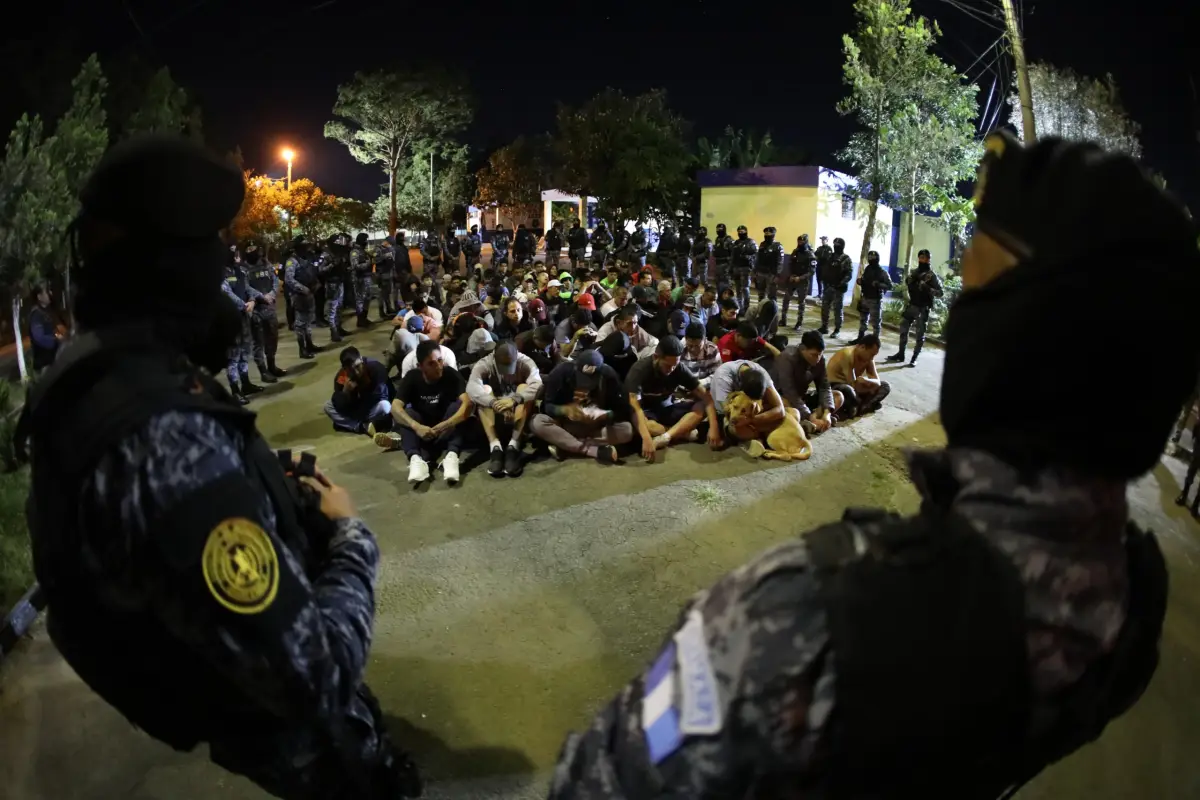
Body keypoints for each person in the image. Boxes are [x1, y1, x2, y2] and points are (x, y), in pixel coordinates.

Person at [550, 130, 1197, 799]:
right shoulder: (1129, 610)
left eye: (974, 287)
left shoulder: (808, 609)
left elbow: (596, 783)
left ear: (1012, 334)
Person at [15, 134, 422, 800]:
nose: (222, 270)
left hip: (214, 676)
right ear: (170, 268)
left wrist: (263, 484)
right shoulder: (156, 429)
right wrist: (352, 540)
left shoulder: (97, 376)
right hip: (296, 738)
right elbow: (312, 674)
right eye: (211, 250)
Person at [382, 339, 474, 486]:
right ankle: (416, 460)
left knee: (457, 407)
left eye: (439, 360)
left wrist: (446, 424)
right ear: (420, 366)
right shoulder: (412, 377)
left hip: (446, 428)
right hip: (424, 429)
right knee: (407, 413)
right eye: (431, 363)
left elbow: (467, 404)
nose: (438, 366)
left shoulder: (450, 374)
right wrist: (416, 427)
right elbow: (395, 407)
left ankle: (451, 456)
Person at [625, 336, 722, 460]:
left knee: (701, 406)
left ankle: (666, 437)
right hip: (647, 413)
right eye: (667, 365)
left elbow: (707, 399)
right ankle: (683, 433)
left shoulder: (679, 369)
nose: (671, 369)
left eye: (674, 365)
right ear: (656, 358)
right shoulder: (639, 370)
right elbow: (635, 408)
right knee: (644, 426)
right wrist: (646, 439)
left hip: (667, 408)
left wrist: (714, 427)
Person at [532, 349, 633, 464]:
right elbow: (547, 406)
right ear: (575, 367)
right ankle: (592, 450)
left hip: (596, 428)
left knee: (627, 430)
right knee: (537, 422)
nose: (587, 385)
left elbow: (621, 409)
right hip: (566, 427)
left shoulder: (609, 375)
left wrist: (605, 415)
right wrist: (564, 410)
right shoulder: (560, 373)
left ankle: (567, 445)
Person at [466, 340, 542, 478]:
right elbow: (471, 387)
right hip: (494, 412)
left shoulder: (526, 362)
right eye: (503, 365)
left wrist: (515, 400)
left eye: (510, 364)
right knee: (484, 389)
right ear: (494, 356)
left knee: (524, 388)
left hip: (518, 411)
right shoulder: (484, 363)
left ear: (517, 355)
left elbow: (538, 384)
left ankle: (514, 445)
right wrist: (494, 403)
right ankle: (495, 447)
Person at [771, 329, 841, 434]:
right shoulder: (787, 358)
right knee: (785, 404)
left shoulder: (820, 360)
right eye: (813, 355)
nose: (817, 359)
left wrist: (827, 413)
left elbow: (824, 386)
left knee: (838, 395)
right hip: (786, 398)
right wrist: (809, 415)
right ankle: (807, 421)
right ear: (803, 349)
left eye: (820, 354)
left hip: (803, 399)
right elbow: (789, 391)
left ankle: (818, 421)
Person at [221, 245, 264, 404]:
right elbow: (226, 293)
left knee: (245, 351)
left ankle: (245, 383)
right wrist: (244, 305)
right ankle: (235, 390)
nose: (238, 257)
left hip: (243, 318)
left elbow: (247, 287)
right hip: (230, 319)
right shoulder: (220, 273)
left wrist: (253, 299)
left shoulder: (239, 270)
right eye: (235, 254)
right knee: (233, 356)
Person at [886, 249, 944, 366]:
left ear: (929, 259)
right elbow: (909, 284)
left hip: (923, 308)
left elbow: (940, 293)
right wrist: (909, 281)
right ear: (918, 258)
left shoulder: (932, 276)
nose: (923, 260)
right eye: (921, 257)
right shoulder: (914, 272)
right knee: (903, 329)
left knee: (920, 334)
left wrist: (927, 288)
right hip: (912, 305)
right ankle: (901, 354)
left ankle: (914, 358)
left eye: (925, 258)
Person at [708, 359, 786, 444]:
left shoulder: (761, 374)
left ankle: (760, 437)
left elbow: (780, 410)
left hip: (751, 413)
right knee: (736, 428)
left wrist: (752, 419)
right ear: (740, 388)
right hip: (725, 413)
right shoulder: (723, 377)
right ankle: (761, 437)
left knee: (789, 409)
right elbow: (730, 414)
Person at [243, 241, 286, 384]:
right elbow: (246, 287)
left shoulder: (266, 264)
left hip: (270, 308)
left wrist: (272, 294)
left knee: (272, 338)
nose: (253, 252)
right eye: (250, 249)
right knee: (258, 343)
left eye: (255, 249)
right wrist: (262, 296)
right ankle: (263, 371)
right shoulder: (243, 269)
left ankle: (272, 366)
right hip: (256, 310)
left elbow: (275, 280)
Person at [325, 346, 394, 434]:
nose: (356, 372)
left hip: (371, 408)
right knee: (328, 406)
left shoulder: (375, 368)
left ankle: (357, 424)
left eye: (358, 366)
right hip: (357, 410)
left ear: (361, 360)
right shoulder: (341, 377)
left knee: (385, 406)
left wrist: (363, 389)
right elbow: (338, 403)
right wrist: (346, 393)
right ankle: (362, 427)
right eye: (351, 370)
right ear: (344, 369)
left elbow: (381, 396)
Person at [826, 333, 891, 418]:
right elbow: (853, 385)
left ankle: (862, 407)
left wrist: (867, 381)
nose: (872, 358)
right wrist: (870, 387)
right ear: (862, 347)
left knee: (885, 386)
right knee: (848, 391)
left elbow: (877, 381)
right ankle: (864, 406)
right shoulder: (847, 354)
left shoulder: (869, 359)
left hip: (856, 387)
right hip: (837, 387)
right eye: (871, 354)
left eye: (874, 355)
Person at [283, 235, 320, 360]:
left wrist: (315, 284)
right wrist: (303, 289)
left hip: (310, 293)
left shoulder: (306, 258)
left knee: (308, 321)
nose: (306, 248)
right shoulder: (292, 261)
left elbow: (311, 272)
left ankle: (309, 344)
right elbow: (288, 279)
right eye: (303, 246)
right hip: (299, 295)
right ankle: (302, 349)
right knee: (300, 323)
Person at [853, 250, 893, 344]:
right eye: (870, 257)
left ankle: (874, 342)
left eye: (873, 258)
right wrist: (860, 281)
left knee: (875, 323)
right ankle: (860, 338)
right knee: (863, 320)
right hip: (865, 297)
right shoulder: (867, 269)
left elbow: (890, 285)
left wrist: (879, 284)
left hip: (875, 300)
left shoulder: (882, 272)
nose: (871, 259)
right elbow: (864, 280)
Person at [818, 236, 853, 337]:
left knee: (837, 309)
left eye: (838, 245)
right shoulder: (830, 256)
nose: (836, 247)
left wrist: (841, 283)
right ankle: (824, 327)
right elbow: (825, 270)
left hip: (838, 289)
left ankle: (837, 329)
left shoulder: (846, 259)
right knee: (825, 307)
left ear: (842, 246)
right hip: (828, 287)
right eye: (835, 245)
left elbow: (849, 274)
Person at [321, 232, 352, 340]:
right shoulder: (326, 254)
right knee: (332, 310)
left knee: (339, 308)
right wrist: (332, 264)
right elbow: (320, 270)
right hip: (331, 284)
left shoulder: (339, 253)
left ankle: (339, 328)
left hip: (340, 282)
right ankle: (333, 333)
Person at [783, 234, 816, 329]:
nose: (800, 243)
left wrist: (800, 278)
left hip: (802, 282)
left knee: (801, 303)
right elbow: (790, 264)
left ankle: (799, 323)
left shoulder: (810, 255)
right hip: (792, 280)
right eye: (799, 241)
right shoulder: (795, 251)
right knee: (786, 299)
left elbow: (811, 271)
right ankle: (783, 319)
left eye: (802, 242)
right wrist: (791, 275)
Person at [28, 284, 62, 373]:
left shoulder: (44, 312)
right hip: (44, 363)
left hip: (49, 360)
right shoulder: (36, 315)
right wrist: (56, 341)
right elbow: (39, 337)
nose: (50, 293)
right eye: (46, 292)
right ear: (39, 297)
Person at [730, 224, 758, 312]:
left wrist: (747, 257)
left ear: (746, 232)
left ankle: (746, 307)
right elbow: (732, 256)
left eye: (742, 232)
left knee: (745, 288)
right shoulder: (736, 242)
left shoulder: (751, 242)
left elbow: (755, 254)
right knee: (738, 289)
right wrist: (731, 267)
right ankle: (740, 307)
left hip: (746, 268)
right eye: (739, 232)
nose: (740, 233)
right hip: (736, 268)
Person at [754, 226, 784, 305]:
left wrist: (777, 275)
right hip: (761, 273)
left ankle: (773, 313)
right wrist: (756, 271)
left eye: (769, 233)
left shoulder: (778, 246)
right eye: (766, 233)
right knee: (761, 294)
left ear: (773, 234)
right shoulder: (762, 244)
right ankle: (761, 310)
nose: (767, 235)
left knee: (772, 296)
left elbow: (780, 262)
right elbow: (758, 259)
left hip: (771, 274)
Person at [351, 231, 375, 327]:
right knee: (360, 300)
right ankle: (360, 320)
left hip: (366, 277)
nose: (366, 242)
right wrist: (368, 263)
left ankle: (364, 318)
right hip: (359, 279)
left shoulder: (362, 250)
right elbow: (355, 266)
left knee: (367, 298)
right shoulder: (355, 252)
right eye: (365, 240)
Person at [373, 234, 397, 318]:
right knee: (381, 294)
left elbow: (393, 261)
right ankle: (381, 312)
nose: (391, 245)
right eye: (390, 243)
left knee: (388, 292)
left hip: (389, 273)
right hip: (381, 274)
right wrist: (384, 256)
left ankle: (389, 308)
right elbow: (375, 260)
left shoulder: (390, 248)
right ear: (386, 242)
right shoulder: (378, 249)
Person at [711, 223, 734, 287]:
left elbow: (733, 253)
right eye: (717, 229)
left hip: (726, 263)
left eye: (720, 229)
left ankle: (727, 295)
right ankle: (720, 295)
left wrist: (731, 265)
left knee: (726, 281)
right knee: (718, 281)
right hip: (718, 263)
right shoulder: (717, 239)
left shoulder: (729, 239)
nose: (719, 230)